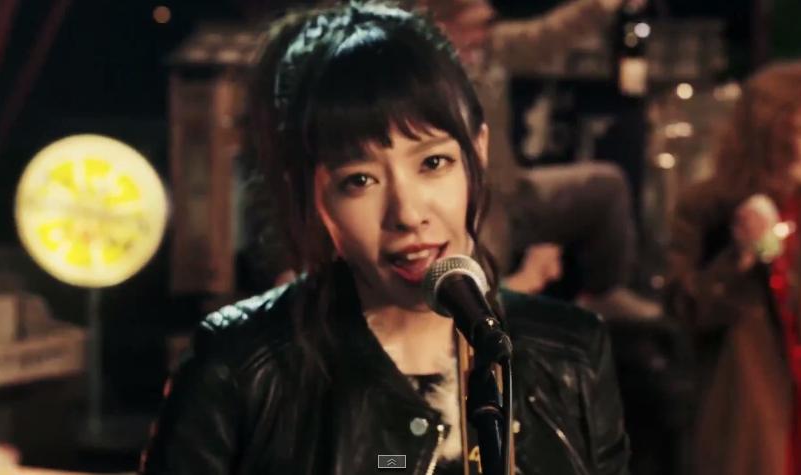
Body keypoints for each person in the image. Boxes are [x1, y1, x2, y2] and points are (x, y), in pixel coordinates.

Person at [140, 3, 629, 474]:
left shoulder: (573, 354)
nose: (408, 214)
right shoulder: (237, 366)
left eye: (433, 163)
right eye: (360, 180)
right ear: (309, 193)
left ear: (477, 153)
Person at [413, 0, 661, 319]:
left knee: (606, 186)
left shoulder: (491, 47)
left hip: (513, 188)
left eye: (486, 24)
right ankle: (499, 317)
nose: (484, 33)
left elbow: (548, 36)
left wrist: (601, 5)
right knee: (485, 268)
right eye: (474, 26)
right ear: (442, 28)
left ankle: (603, 294)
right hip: (471, 206)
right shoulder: (421, 80)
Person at [666, 61, 801, 475]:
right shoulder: (708, 208)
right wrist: (739, 257)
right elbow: (685, 309)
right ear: (773, 136)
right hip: (751, 421)